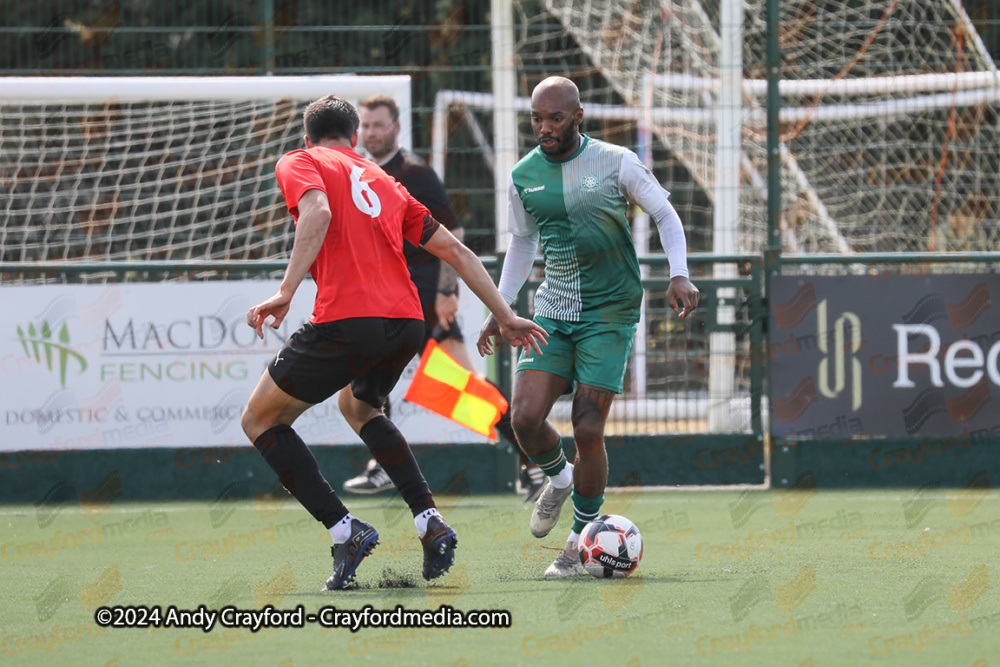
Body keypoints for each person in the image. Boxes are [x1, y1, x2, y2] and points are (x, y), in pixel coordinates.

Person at [240, 94, 547, 591]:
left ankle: (346, 531)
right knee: (360, 407)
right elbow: (456, 248)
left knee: (259, 419)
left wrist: (285, 291)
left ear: (307, 139)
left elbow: (315, 213)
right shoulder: (385, 180)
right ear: (356, 138)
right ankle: (430, 522)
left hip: (347, 319)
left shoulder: (302, 161)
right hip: (406, 321)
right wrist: (505, 314)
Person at [477, 76, 699, 577]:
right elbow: (522, 243)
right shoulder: (523, 175)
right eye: (536, 118)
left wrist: (679, 273)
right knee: (524, 419)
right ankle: (557, 480)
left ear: (578, 116)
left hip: (610, 312)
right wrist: (503, 306)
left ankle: (579, 543)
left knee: (587, 426)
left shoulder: (616, 161)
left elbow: (665, 214)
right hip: (554, 310)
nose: (544, 127)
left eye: (555, 117)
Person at [341, 94, 545, 503]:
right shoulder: (356, 172)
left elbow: (455, 235)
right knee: (365, 378)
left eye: (379, 125)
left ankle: (537, 464)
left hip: (423, 301)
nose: (371, 132)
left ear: (396, 129)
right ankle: (383, 464)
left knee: (462, 390)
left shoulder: (415, 172)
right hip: (384, 300)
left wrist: (447, 290)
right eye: (365, 125)